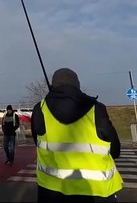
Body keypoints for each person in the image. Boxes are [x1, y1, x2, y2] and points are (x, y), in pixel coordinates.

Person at [30, 68, 122, 202]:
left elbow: (37, 141)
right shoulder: (96, 109)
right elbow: (115, 149)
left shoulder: (40, 109)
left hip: (51, 191)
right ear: (77, 85)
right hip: (95, 192)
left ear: (53, 85)